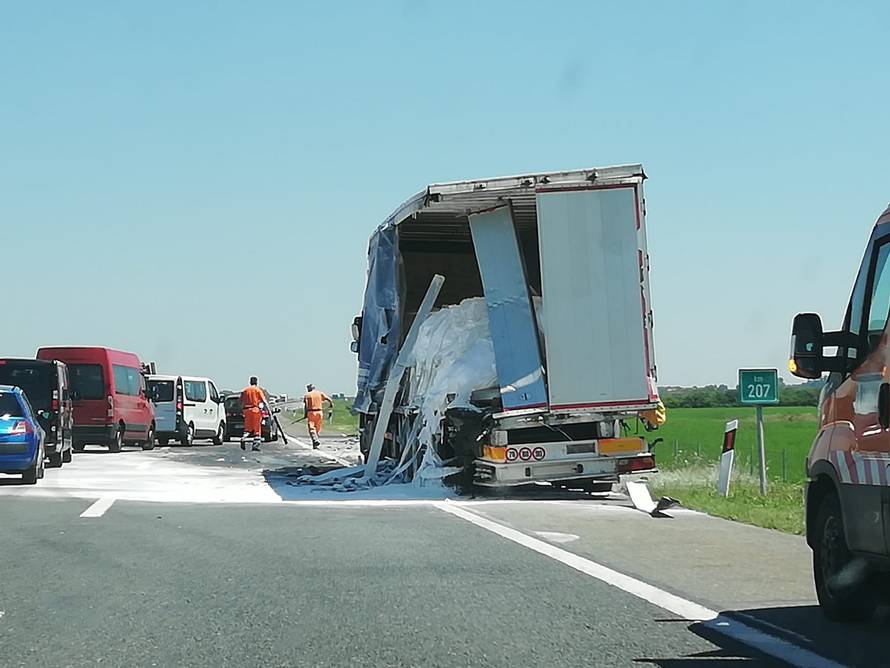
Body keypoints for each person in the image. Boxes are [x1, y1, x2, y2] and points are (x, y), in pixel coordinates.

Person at [240, 376, 267, 452]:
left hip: (247, 411)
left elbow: (241, 401)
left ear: (250, 382)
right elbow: (264, 401)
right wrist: (269, 411)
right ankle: (256, 444)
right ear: (256, 382)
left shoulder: (245, 391)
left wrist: (242, 410)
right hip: (255, 410)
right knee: (257, 429)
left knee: (247, 429)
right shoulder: (258, 390)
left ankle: (243, 439)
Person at [303, 384, 333, 449]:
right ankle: (315, 443)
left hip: (311, 412)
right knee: (317, 427)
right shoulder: (320, 393)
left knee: (311, 428)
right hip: (319, 412)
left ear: (309, 389)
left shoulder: (307, 395)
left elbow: (306, 406)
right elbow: (329, 399)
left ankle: (315, 440)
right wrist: (331, 405)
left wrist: (305, 414)